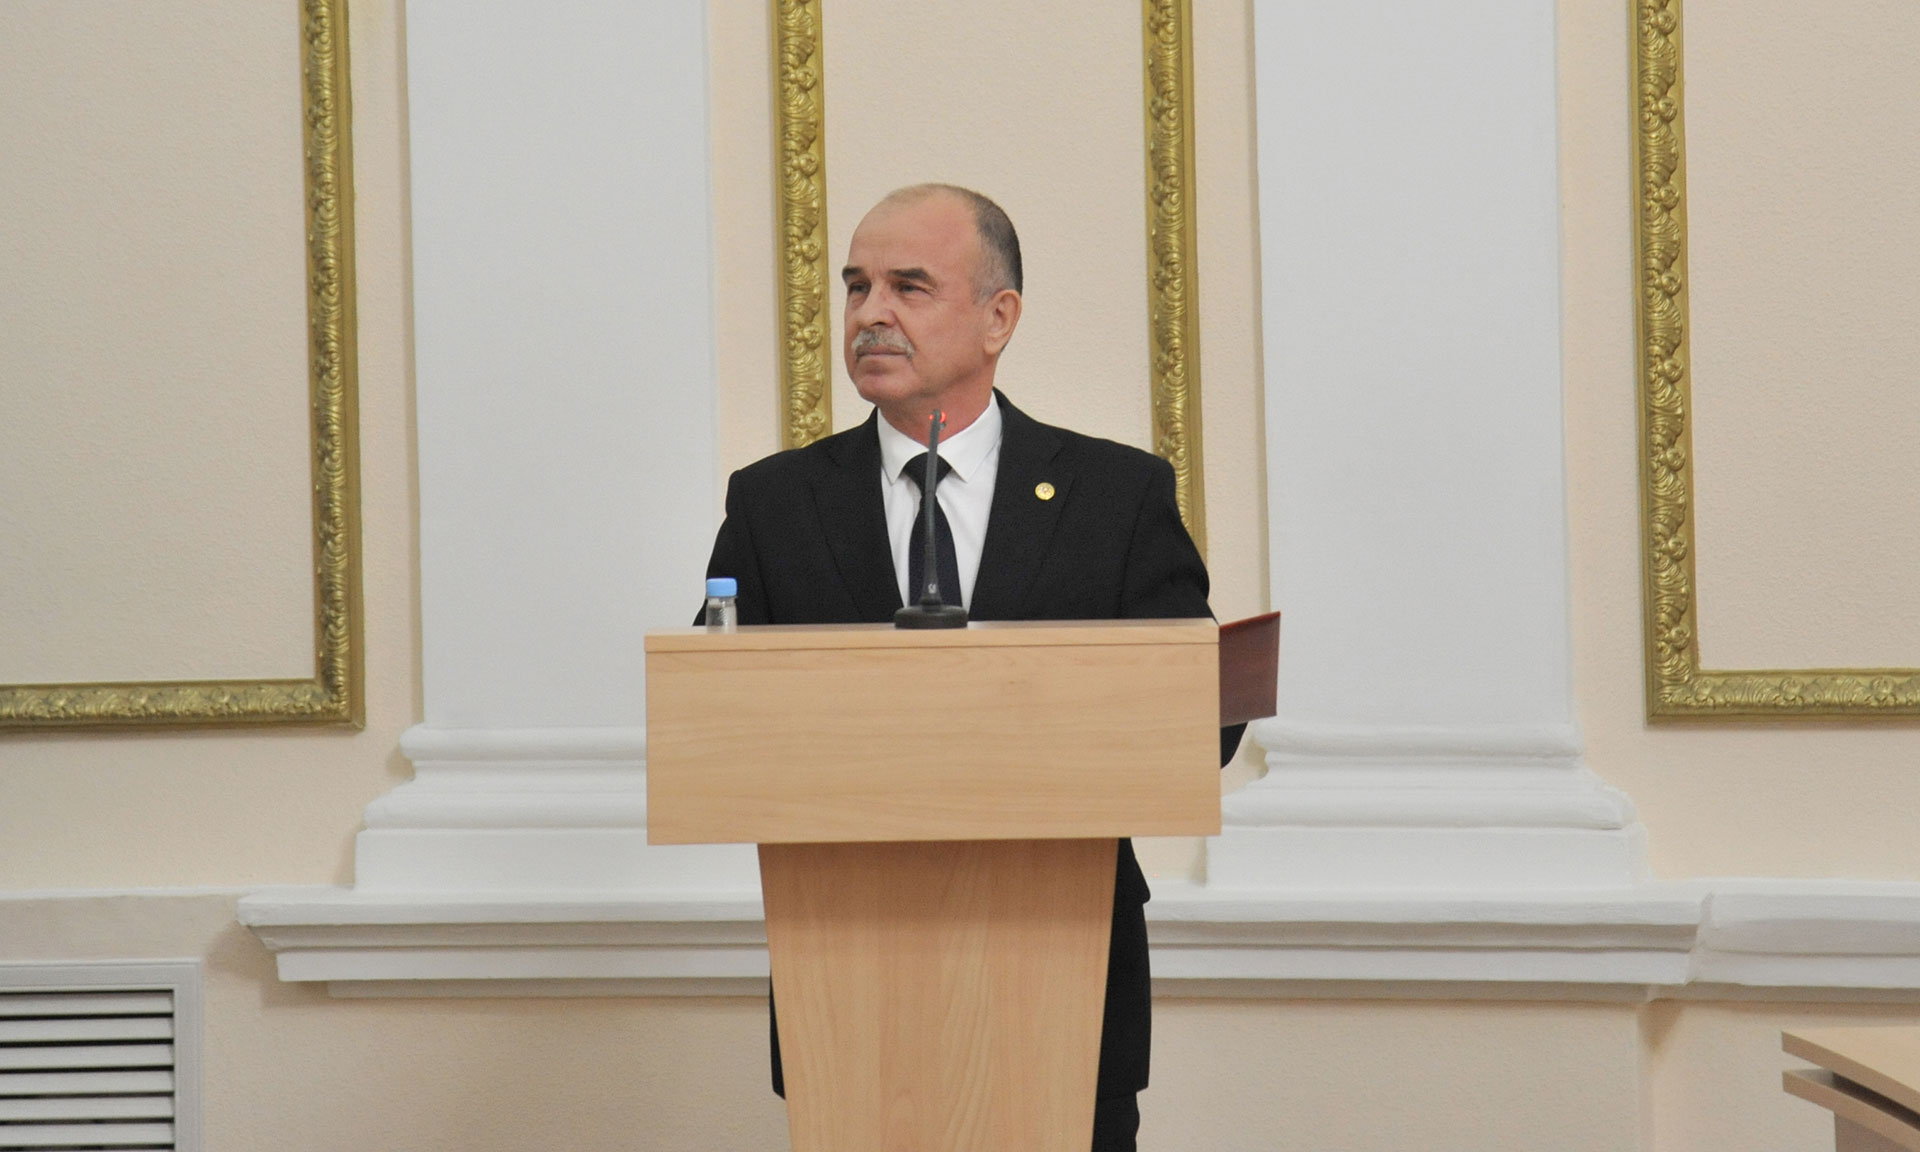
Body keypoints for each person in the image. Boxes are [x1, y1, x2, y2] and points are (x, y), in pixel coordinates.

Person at [700, 183, 1240, 1152]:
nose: (871, 314)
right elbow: (715, 721)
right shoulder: (775, 505)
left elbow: (1200, 718)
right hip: (851, 987)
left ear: (1000, 318)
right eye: (857, 287)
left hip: (1066, 978)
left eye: (909, 287)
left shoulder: (1114, 496)